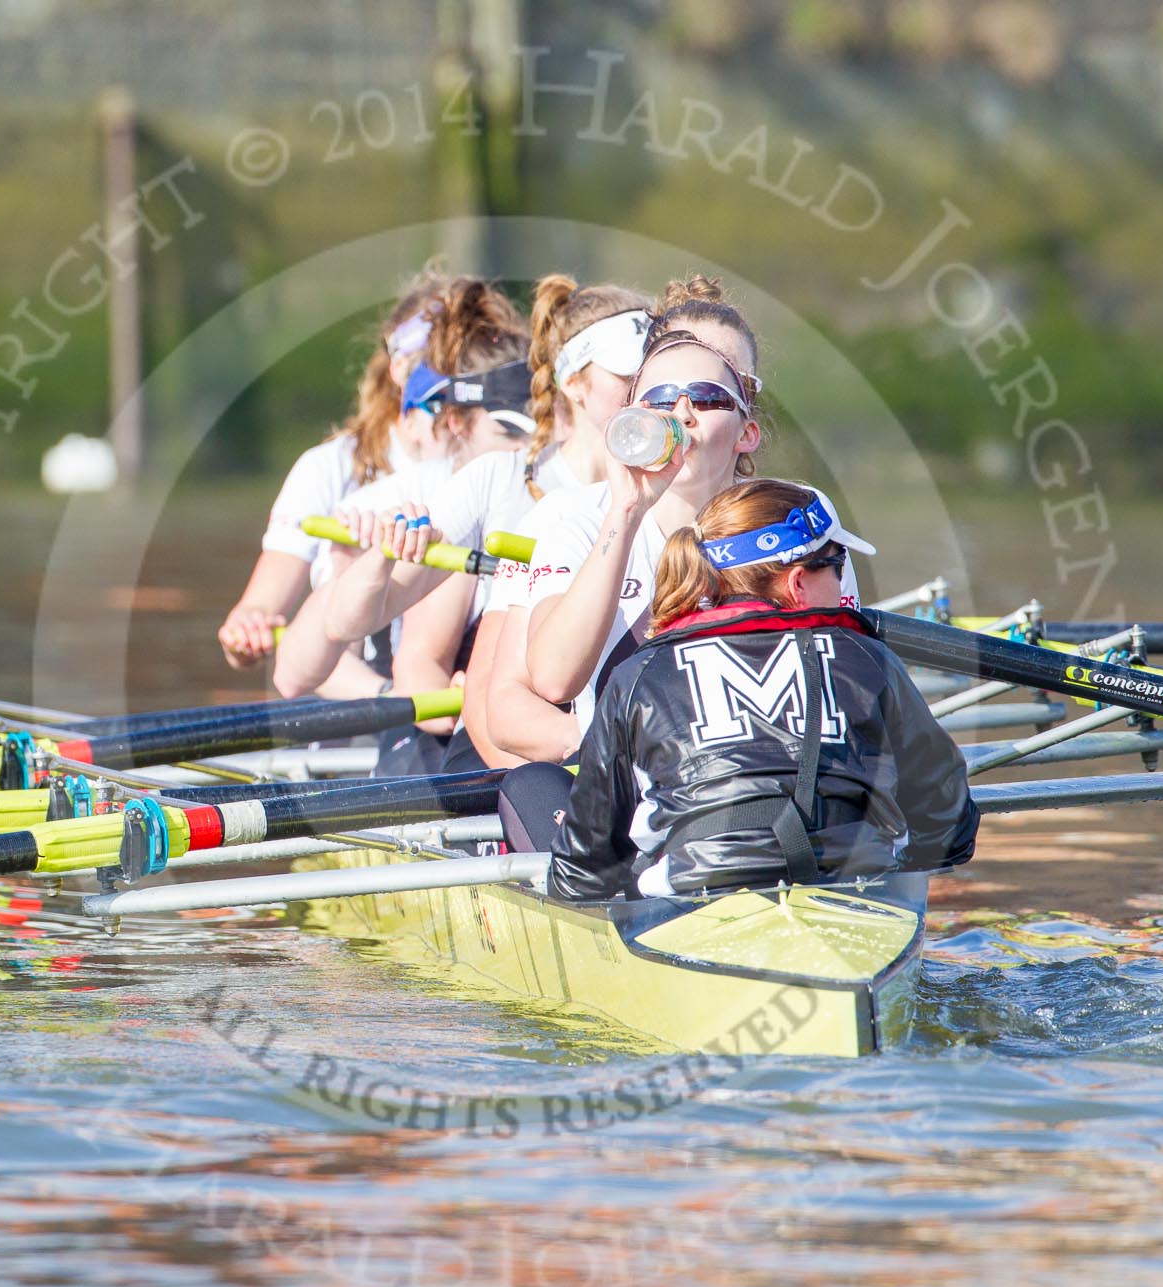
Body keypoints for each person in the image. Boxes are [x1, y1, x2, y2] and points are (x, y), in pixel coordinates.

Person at [541, 478, 979, 901]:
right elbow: (949, 817)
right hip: (855, 892)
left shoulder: (638, 673)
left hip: (693, 902)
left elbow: (584, 870)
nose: (844, 582)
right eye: (838, 564)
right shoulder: (867, 656)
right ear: (798, 583)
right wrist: (899, 870)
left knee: (529, 787)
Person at [490, 276, 866, 763]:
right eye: (663, 397)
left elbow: (846, 684)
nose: (683, 413)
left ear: (747, 429)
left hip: (765, 777)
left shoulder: (795, 513)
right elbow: (549, 682)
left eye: (709, 395)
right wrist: (625, 514)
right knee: (531, 787)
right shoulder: (572, 514)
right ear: (632, 417)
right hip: (627, 783)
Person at [322, 275, 652, 768]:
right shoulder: (499, 479)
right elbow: (346, 622)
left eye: (661, 374)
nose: (652, 393)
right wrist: (380, 553)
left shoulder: (680, 490)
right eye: (631, 377)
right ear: (574, 383)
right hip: (514, 752)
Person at [269, 278, 529, 705]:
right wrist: (356, 564)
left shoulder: (557, 476)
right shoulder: (392, 497)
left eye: (542, 427)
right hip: (416, 723)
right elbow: (293, 675)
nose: (529, 449)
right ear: (455, 421)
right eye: (510, 431)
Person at [214, 266, 447, 673]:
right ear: (398, 370)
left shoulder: (504, 463)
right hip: (357, 691)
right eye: (436, 366)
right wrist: (248, 627)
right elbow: (261, 606)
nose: (448, 385)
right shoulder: (328, 468)